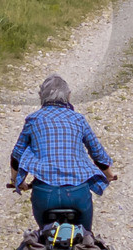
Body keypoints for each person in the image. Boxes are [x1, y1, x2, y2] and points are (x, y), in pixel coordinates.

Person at [8, 75, 116, 233]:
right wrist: (108, 175)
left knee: (44, 235)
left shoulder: (33, 119)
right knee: (85, 238)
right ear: (69, 96)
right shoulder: (78, 119)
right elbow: (97, 153)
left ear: (40, 97)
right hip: (77, 193)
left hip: (45, 194)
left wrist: (16, 180)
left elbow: (17, 155)